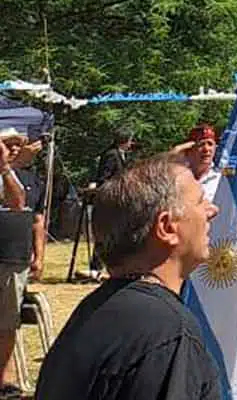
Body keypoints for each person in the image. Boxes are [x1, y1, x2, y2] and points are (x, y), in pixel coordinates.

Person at [35, 157, 222, 400]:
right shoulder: (167, 330)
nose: (212, 210)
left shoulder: (96, 308)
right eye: (200, 201)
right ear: (166, 228)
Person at [0, 132, 46, 400]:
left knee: (7, 321)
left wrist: (38, 255)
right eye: (8, 145)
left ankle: (3, 379)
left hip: (14, 257)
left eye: (18, 145)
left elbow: (28, 212)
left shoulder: (30, 180)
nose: (13, 150)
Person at [85, 129, 136, 281]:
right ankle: (96, 267)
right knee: (106, 234)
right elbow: (105, 177)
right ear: (125, 140)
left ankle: (109, 266)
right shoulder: (112, 154)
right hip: (109, 198)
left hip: (118, 198)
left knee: (115, 235)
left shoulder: (120, 154)